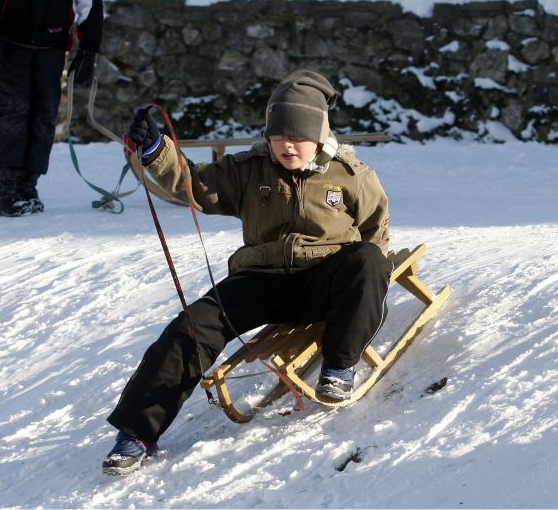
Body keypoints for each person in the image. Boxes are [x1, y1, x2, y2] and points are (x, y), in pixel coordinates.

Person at [101, 70, 394, 475]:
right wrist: (155, 150)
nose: (287, 145)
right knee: (192, 327)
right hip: (261, 278)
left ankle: (339, 366)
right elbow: (193, 185)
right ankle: (137, 432)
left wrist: (365, 287)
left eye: (298, 136)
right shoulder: (248, 169)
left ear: (319, 134)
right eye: (278, 136)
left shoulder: (351, 174)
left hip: (323, 276)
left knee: (368, 259)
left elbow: (376, 232)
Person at [0, 0, 103, 217]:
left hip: (52, 46)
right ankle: (5, 189)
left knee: (43, 116)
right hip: (11, 42)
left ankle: (27, 186)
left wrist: (89, 50)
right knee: (9, 114)